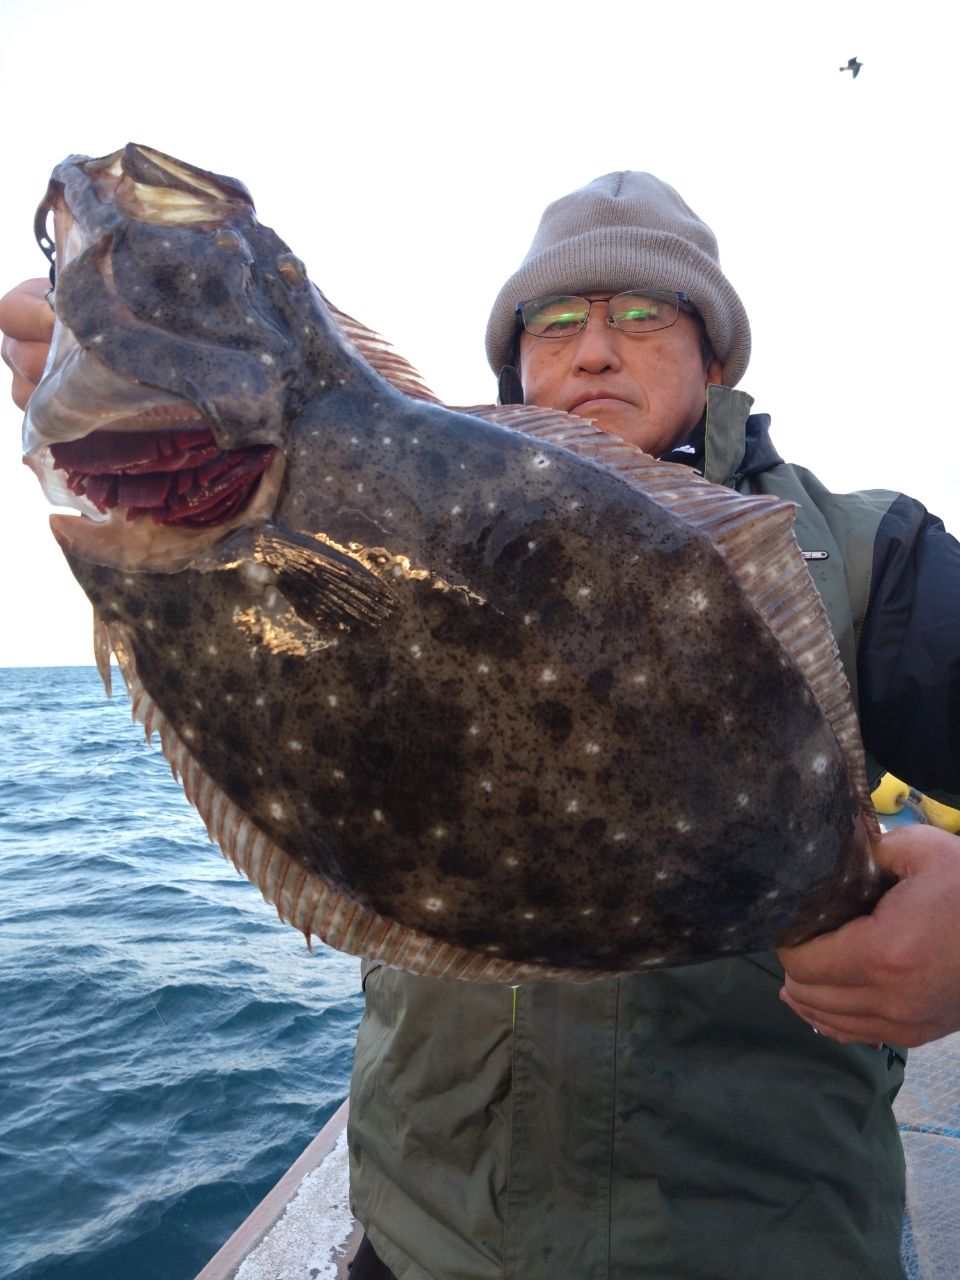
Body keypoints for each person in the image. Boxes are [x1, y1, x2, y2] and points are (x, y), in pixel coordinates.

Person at [3, 171, 959, 1280]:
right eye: (557, 321)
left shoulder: (868, 553)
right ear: (518, 359)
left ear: (717, 355)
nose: (595, 349)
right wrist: (94, 368)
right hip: (426, 1239)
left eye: (646, 313)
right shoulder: (383, 492)